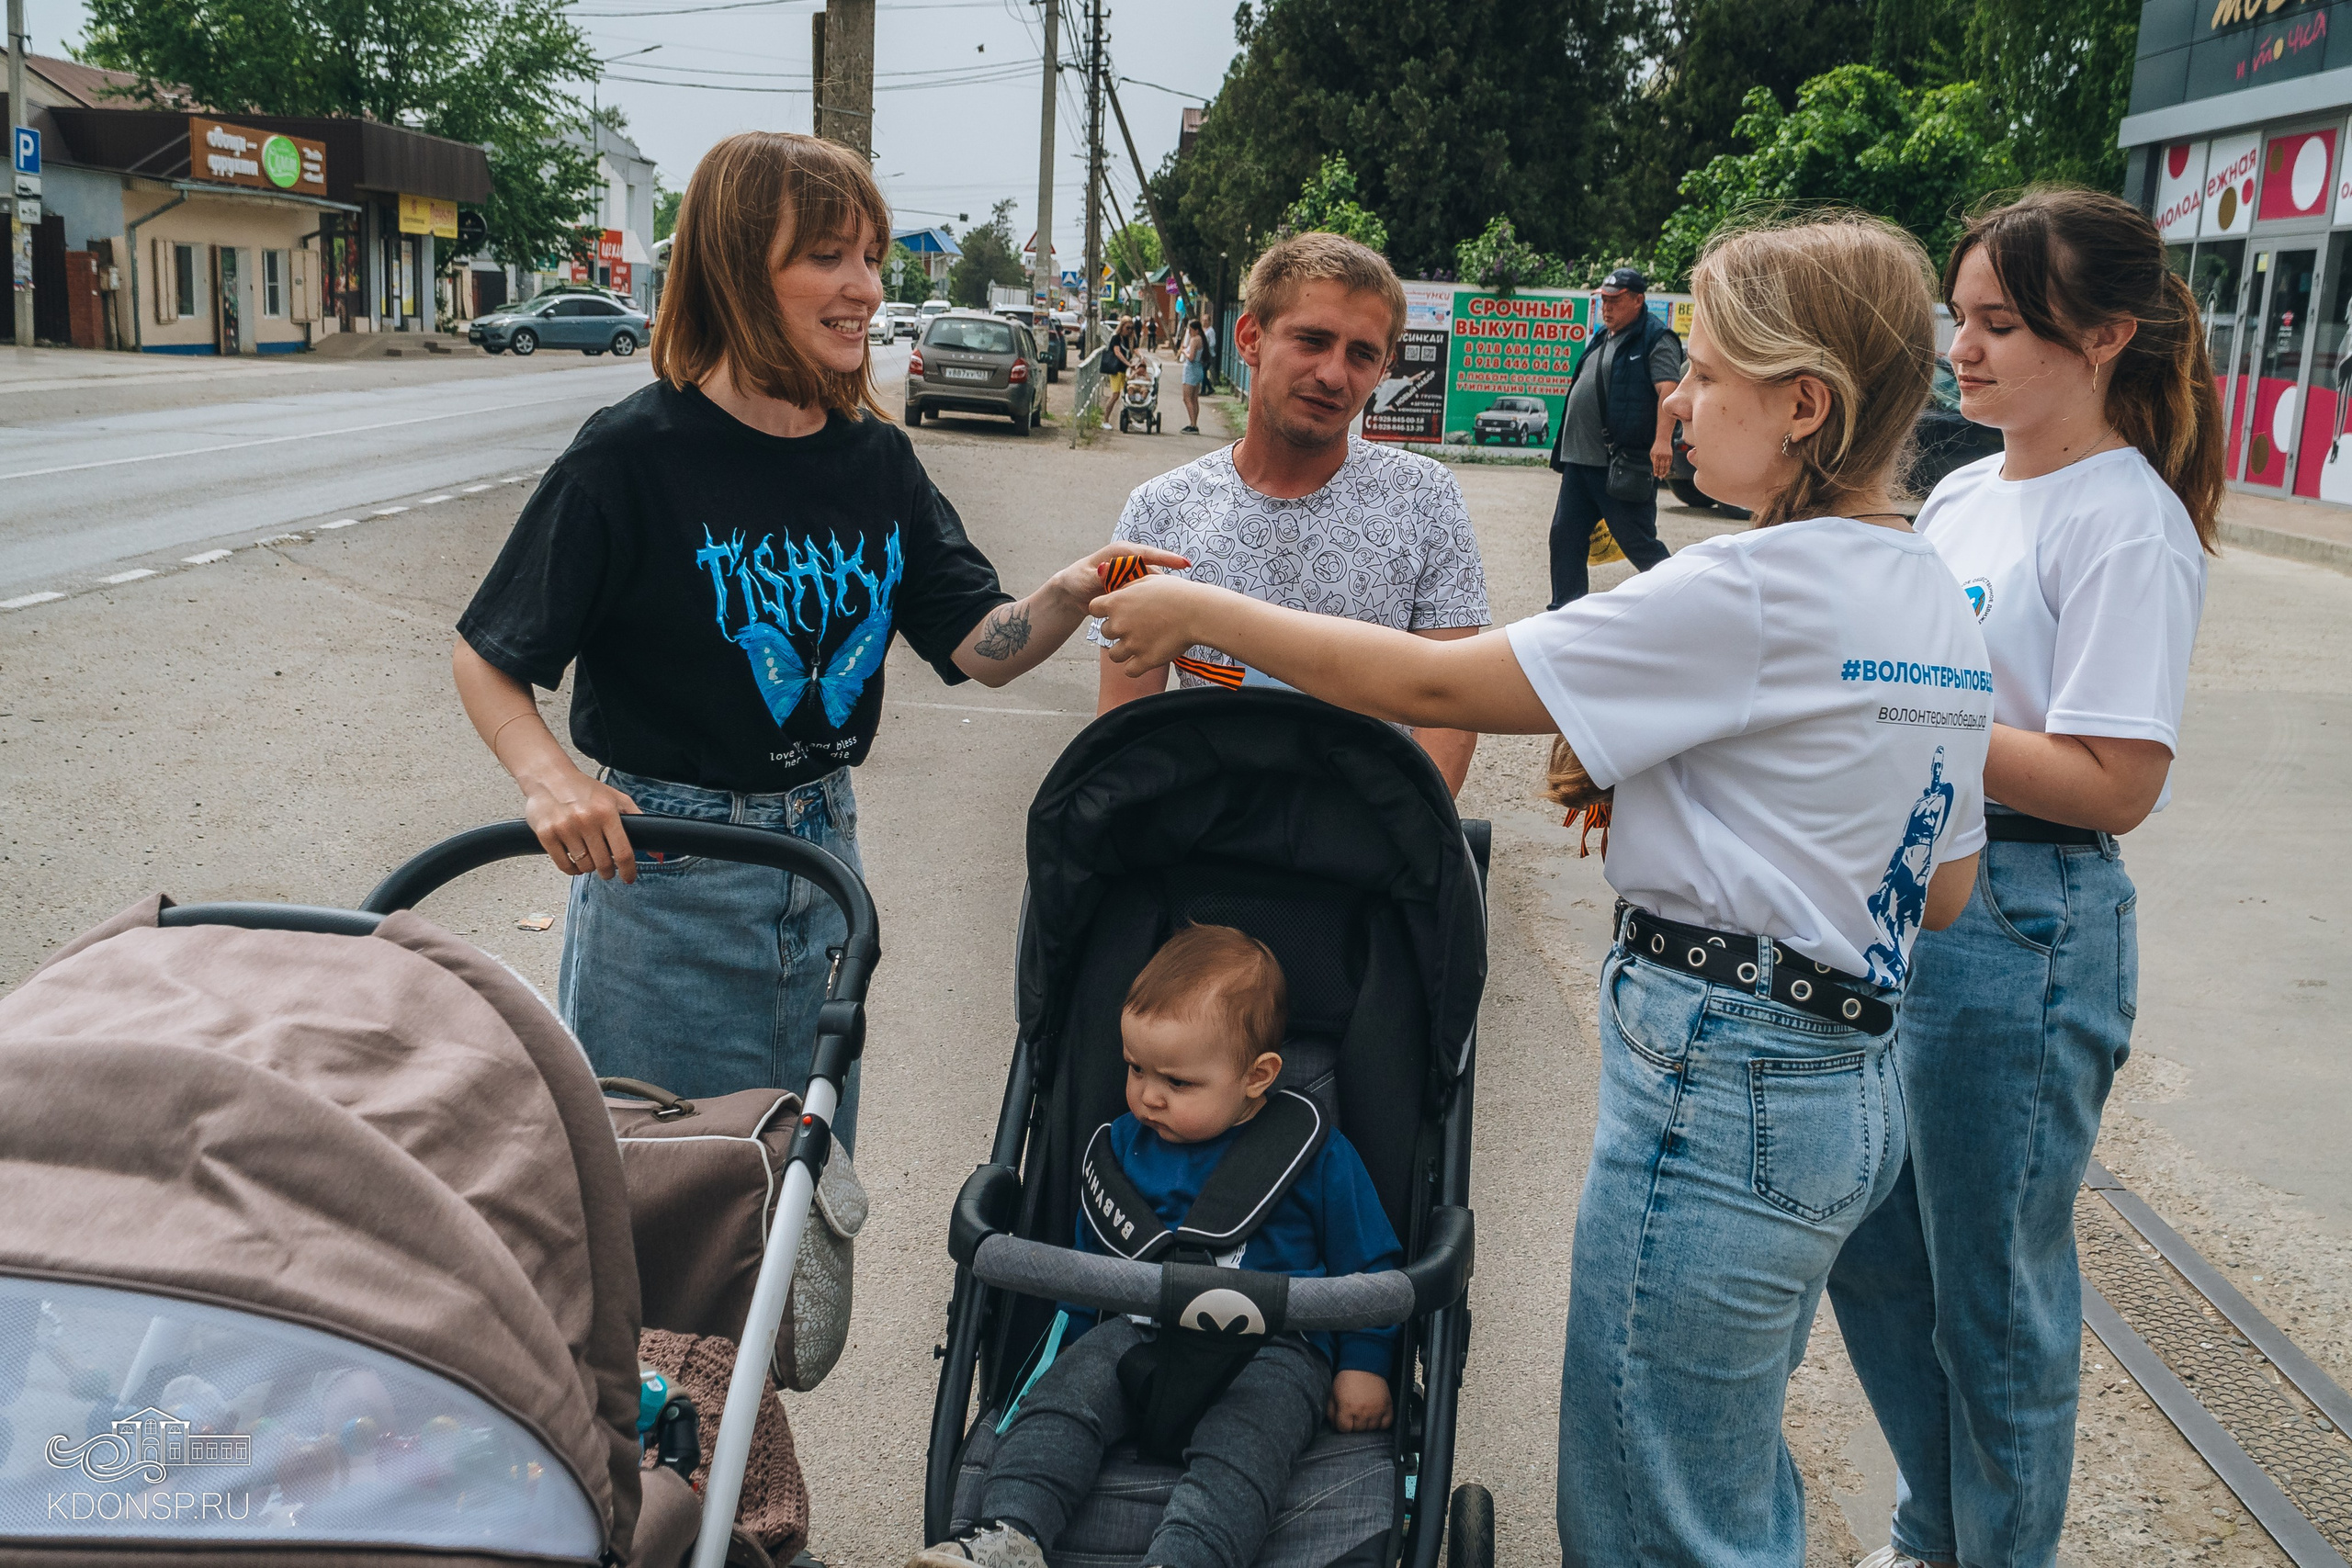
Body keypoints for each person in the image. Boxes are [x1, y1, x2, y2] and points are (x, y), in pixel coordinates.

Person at [1093, 214, 1995, 1568]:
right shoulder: (1926, 587)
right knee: (1728, 1472)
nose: (1674, 399)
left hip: (1721, 1079)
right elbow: (1942, 886)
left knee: (1651, 1515)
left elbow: (1442, 682)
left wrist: (1205, 613)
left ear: (1805, 405)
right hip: (1848, 1084)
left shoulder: (1754, 581)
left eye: (1706, 371)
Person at [451, 131, 1184, 1147]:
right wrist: (549, 780)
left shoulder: (876, 462)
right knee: (662, 1201)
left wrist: (1074, 589)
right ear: (738, 269)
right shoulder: (631, 456)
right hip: (666, 876)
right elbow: (490, 654)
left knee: (803, 1190)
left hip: (824, 855)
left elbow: (981, 644)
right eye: (826, 256)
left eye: (872, 257)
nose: (866, 289)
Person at [1826, 188, 2220, 1568]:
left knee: (1993, 1292)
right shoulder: (1966, 487)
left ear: (2107, 335)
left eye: (2001, 323)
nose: (1963, 349)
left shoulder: (2126, 523)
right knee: (1870, 1242)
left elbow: (2118, 781)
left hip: (2029, 924)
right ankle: (1937, 1528)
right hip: (1913, 897)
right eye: (1961, 318)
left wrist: (1910, 703)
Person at [908, 924, 1402, 1568]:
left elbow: (1372, 1265)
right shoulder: (1118, 1152)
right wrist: (1074, 1346)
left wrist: (1364, 1361)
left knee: (1243, 1447)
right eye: (1135, 1067)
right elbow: (1087, 1267)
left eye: (1177, 1080)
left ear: (1258, 1076)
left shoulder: (1314, 1153)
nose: (1147, 1093)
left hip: (1275, 1349)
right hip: (1138, 1329)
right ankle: (1008, 1534)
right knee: (1059, 1407)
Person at [1091, 231, 1490, 797]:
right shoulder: (1160, 509)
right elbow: (1122, 725)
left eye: (1362, 354)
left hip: (1368, 840)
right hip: (1202, 845)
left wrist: (1407, 853)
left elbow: (1451, 704)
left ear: (1384, 369)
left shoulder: (1426, 499)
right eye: (1312, 340)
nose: (1333, 375)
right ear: (1251, 337)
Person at [1544, 266, 1683, 607]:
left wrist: (1662, 441)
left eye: (1615, 301)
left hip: (1620, 463)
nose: (1606, 307)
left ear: (1638, 300)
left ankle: (1682, 600)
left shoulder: (1656, 337)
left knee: (1639, 544)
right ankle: (1565, 613)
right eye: (1603, 300)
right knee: (1565, 538)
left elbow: (1669, 388)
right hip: (1581, 462)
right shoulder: (1604, 337)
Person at [1100, 317, 1134, 414]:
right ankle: (1105, 420)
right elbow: (1117, 352)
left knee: (1129, 393)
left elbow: (1135, 349)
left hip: (1125, 370)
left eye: (1131, 328)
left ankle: (1130, 419)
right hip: (1116, 370)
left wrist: (1141, 357)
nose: (1130, 330)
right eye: (1128, 328)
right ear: (1122, 326)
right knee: (1115, 395)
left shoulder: (1130, 339)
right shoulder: (1116, 338)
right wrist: (1128, 363)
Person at [1179, 320, 1206, 434]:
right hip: (1198, 369)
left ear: (1196, 330)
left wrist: (1184, 351)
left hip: (1191, 370)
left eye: (1190, 330)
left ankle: (1193, 424)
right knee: (1194, 398)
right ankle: (1194, 423)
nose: (1189, 332)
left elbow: (1191, 357)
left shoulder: (1195, 340)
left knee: (1187, 398)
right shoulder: (1201, 340)